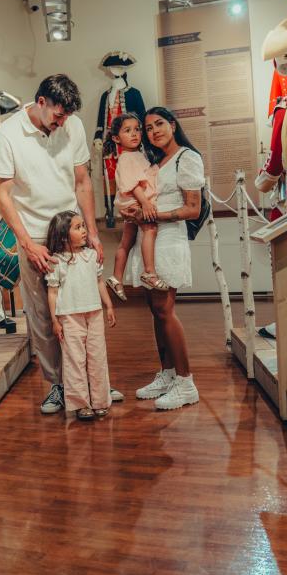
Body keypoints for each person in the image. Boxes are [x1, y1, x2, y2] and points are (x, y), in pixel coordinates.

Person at [0, 74, 122, 414]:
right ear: (41, 102)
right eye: (57, 115)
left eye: (67, 116)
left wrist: (91, 232)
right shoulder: (8, 134)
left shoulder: (73, 126)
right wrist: (26, 243)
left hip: (72, 229)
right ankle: (58, 386)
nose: (62, 122)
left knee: (84, 308)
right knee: (44, 315)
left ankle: (93, 383)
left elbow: (82, 181)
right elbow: (1, 192)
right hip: (34, 233)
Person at [121, 107, 204, 410]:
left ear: (172, 124)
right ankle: (168, 374)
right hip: (149, 236)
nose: (154, 131)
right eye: (148, 127)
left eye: (159, 124)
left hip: (168, 237)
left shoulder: (187, 158)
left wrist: (156, 214)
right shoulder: (157, 161)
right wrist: (136, 211)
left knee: (165, 308)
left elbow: (193, 208)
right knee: (154, 308)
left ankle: (186, 382)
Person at [44, 211, 116, 421]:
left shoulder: (92, 256)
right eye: (78, 227)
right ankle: (81, 403)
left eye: (83, 226)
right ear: (63, 235)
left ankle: (100, 401)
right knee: (74, 360)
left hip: (94, 314)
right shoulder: (56, 262)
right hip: (69, 318)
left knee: (97, 358)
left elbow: (99, 281)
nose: (84, 231)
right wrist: (55, 320)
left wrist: (109, 305)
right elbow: (53, 292)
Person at [105, 113, 165, 300]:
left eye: (137, 130)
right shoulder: (128, 157)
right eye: (127, 130)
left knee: (127, 241)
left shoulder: (135, 155)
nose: (134, 134)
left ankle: (116, 277)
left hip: (132, 200)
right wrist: (145, 203)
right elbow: (134, 184)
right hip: (136, 201)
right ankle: (149, 271)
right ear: (116, 138)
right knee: (150, 229)